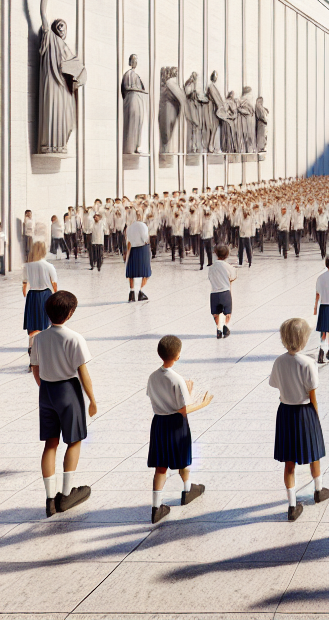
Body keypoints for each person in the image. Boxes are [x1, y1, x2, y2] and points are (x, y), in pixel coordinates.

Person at [31, 290, 97, 517]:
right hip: (68, 391)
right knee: (74, 440)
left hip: (47, 391)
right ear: (69, 314)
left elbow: (36, 369)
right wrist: (92, 399)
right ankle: (66, 494)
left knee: (50, 443)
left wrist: (45, 387)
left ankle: (50, 499)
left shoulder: (38, 338)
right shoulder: (74, 338)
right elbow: (83, 373)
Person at [147, 334, 212, 523]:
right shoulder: (177, 379)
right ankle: (187, 489)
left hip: (159, 423)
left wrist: (187, 391)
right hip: (176, 424)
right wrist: (203, 403)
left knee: (161, 465)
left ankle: (156, 507)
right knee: (183, 457)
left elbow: (160, 399)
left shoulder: (152, 377)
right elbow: (183, 410)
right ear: (177, 356)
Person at [269, 318, 329, 521]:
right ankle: (318, 490)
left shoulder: (279, 361)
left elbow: (276, 386)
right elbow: (312, 395)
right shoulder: (308, 363)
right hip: (305, 412)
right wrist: (316, 415)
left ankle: (292, 505)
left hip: (285, 412)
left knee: (289, 461)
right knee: (314, 453)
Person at [23, 241, 57, 366]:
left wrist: (25, 293)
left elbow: (24, 284)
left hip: (32, 296)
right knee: (45, 325)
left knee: (32, 326)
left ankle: (31, 350)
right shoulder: (48, 266)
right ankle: (44, 356)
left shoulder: (27, 266)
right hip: (45, 295)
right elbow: (54, 283)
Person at [206, 244, 236, 338]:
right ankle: (224, 326)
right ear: (227, 255)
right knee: (227, 312)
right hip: (225, 292)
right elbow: (233, 276)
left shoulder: (211, 267)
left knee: (216, 313)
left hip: (214, 293)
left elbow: (210, 278)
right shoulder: (228, 266)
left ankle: (219, 329)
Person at [125, 211, 152, 302]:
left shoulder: (129, 227)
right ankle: (140, 291)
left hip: (133, 249)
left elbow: (128, 239)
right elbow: (145, 238)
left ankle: (131, 292)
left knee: (132, 273)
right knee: (146, 272)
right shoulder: (142, 225)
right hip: (142, 249)